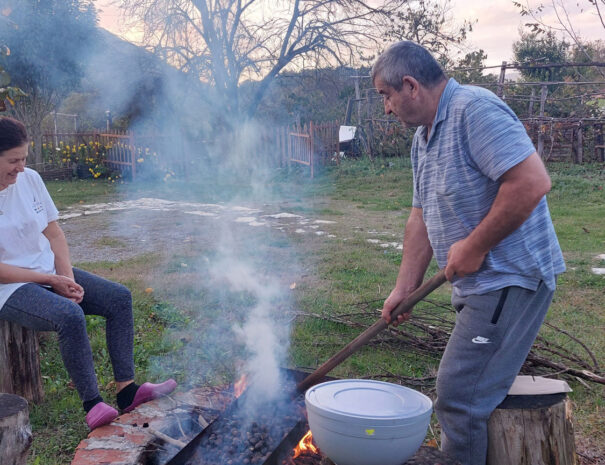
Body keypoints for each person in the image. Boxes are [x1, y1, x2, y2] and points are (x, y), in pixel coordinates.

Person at [372, 42, 565, 465]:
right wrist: (404, 288)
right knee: (472, 390)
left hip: (509, 277)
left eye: (386, 95)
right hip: (480, 284)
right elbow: (420, 219)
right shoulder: (423, 140)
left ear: (410, 86)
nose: (386, 108)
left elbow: (531, 182)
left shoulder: (474, 110)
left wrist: (475, 246)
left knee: (461, 395)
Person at [0, 116, 177, 430]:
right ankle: (93, 405)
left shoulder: (31, 180)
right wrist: (52, 281)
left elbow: (54, 235)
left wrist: (65, 278)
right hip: (10, 287)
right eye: (13, 160)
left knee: (118, 298)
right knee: (69, 316)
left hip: (47, 271)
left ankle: (127, 391)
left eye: (24, 159)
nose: (21, 168)